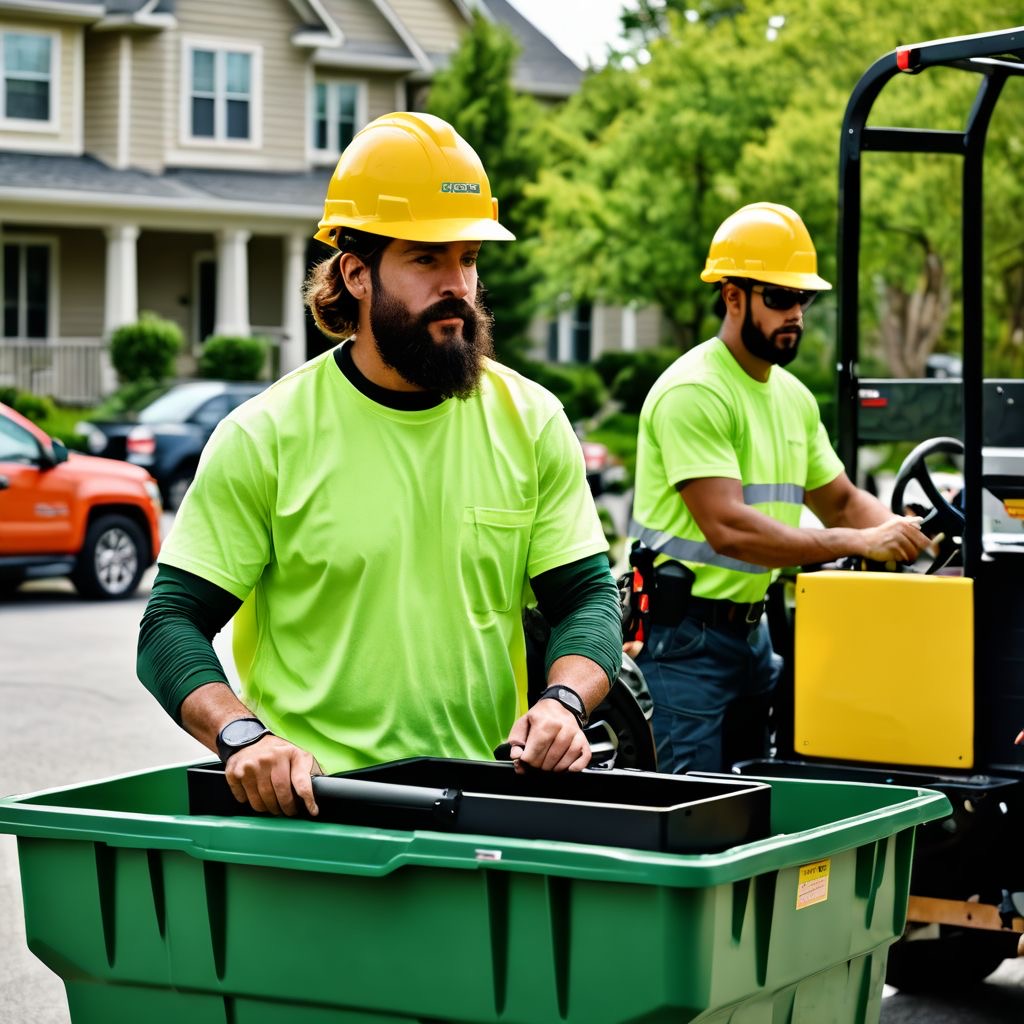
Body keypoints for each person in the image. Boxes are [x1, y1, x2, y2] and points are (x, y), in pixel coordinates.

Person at [137, 112, 622, 816]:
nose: (457, 284)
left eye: (468, 258)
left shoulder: (532, 419)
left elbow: (586, 598)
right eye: (427, 258)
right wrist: (243, 738)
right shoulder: (266, 435)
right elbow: (171, 623)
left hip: (481, 808)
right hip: (319, 813)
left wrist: (563, 702)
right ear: (357, 274)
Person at [629, 202, 930, 774]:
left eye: (802, 299)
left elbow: (841, 500)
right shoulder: (695, 391)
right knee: (689, 818)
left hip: (753, 637)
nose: (794, 313)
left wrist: (916, 542)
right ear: (733, 295)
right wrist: (858, 543)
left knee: (759, 814)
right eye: (778, 298)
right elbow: (730, 529)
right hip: (683, 645)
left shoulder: (792, 398)